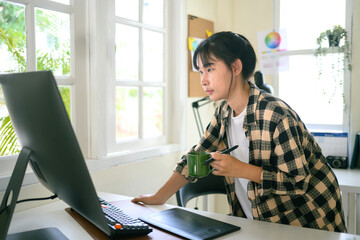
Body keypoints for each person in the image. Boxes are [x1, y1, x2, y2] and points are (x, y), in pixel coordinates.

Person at [132, 31, 347, 232]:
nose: (203, 80)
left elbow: (298, 182)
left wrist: (240, 169)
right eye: (200, 71)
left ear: (235, 67)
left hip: (309, 224)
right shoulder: (224, 112)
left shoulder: (276, 115)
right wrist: (159, 197)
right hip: (262, 224)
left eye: (210, 69)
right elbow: (195, 157)